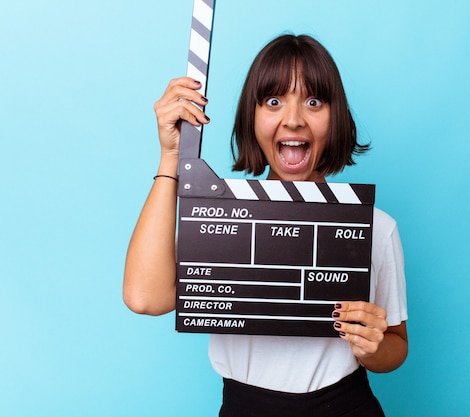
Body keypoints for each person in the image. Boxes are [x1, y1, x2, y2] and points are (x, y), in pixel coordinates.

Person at [123, 34, 408, 417]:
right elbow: (146, 297)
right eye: (274, 101)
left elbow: (396, 347)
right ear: (251, 117)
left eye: (313, 101)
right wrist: (172, 155)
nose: (293, 119)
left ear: (335, 116)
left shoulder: (375, 226)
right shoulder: (218, 218)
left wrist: (374, 348)